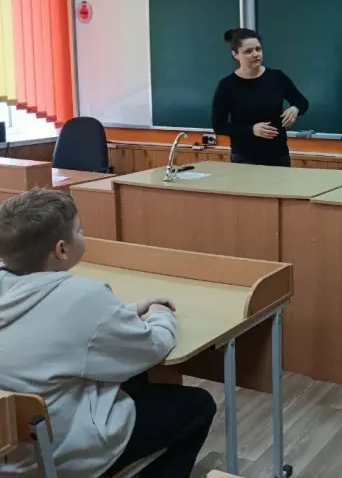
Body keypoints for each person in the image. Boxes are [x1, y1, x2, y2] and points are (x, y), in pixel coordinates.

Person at [0, 190, 216, 478]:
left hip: (9, 450)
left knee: (133, 380)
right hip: (60, 452)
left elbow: (65, 326)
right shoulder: (83, 296)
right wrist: (160, 314)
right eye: (79, 230)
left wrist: (129, 311)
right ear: (62, 249)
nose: (84, 234)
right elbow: (153, 346)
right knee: (197, 406)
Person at [212, 28, 309, 167]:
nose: (256, 54)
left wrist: (295, 108)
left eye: (258, 49)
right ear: (235, 54)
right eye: (248, 51)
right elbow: (219, 126)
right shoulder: (227, 85)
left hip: (279, 156)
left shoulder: (277, 77)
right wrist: (251, 130)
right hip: (245, 158)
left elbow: (302, 102)